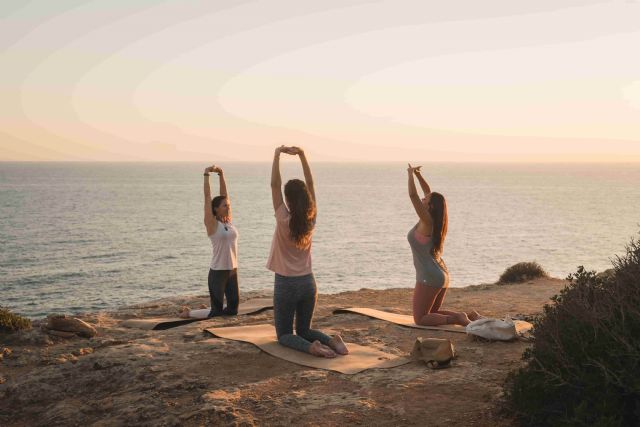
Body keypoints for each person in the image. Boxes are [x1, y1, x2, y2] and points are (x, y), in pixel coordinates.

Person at [268, 145, 348, 358]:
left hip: (286, 283)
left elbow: (274, 184)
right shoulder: (311, 218)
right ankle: (333, 341)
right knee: (304, 329)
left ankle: (311, 348)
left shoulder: (283, 217)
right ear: (306, 198)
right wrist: (303, 155)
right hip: (308, 283)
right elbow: (311, 183)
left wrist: (277, 155)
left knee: (284, 335)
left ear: (288, 199)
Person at [407, 163, 481, 326]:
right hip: (441, 273)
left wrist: (410, 174)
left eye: (425, 199)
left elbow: (412, 195)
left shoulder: (427, 221)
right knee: (432, 313)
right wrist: (419, 175)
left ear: (430, 206)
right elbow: (427, 191)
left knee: (421, 319)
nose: (422, 198)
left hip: (429, 276)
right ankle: (470, 316)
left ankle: (457, 318)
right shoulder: (433, 221)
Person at [203, 164, 239, 317]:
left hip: (232, 270)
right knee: (216, 312)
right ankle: (191, 313)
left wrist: (221, 174)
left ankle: (196, 312)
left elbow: (225, 195)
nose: (228, 207)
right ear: (216, 208)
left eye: (228, 205)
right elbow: (207, 198)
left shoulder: (228, 221)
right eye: (225, 206)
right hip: (217, 272)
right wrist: (206, 175)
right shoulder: (212, 224)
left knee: (233, 310)